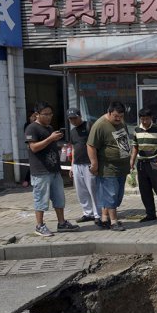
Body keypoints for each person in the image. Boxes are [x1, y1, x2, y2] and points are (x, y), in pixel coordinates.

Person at [24, 102, 79, 237]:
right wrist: (50, 139)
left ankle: (61, 222)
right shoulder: (32, 128)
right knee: (41, 199)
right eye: (46, 114)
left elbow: (49, 145)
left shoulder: (49, 128)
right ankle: (39, 225)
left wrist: (60, 145)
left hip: (54, 169)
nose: (49, 117)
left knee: (59, 198)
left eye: (51, 114)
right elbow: (34, 147)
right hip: (40, 170)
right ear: (37, 114)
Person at [87, 101, 131, 232]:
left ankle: (104, 219)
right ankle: (114, 222)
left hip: (122, 166)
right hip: (108, 167)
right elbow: (91, 146)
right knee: (111, 194)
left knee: (117, 195)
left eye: (121, 116)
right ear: (109, 112)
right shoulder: (100, 125)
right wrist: (94, 164)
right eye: (116, 116)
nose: (118, 119)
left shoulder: (121, 123)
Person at [130, 108, 157, 223]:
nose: (144, 121)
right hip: (142, 163)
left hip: (155, 162)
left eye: (147, 119)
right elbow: (135, 146)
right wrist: (132, 160)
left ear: (151, 118)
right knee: (145, 191)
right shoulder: (137, 130)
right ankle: (150, 214)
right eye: (142, 119)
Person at [67, 108, 100, 225]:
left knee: (93, 189)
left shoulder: (89, 126)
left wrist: (95, 162)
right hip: (77, 164)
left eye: (75, 118)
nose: (73, 121)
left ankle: (98, 214)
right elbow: (74, 148)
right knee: (81, 191)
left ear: (80, 116)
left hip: (88, 163)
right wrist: (72, 165)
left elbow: (95, 144)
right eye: (70, 119)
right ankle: (88, 213)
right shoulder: (73, 131)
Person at [22, 108, 38, 187]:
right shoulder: (28, 126)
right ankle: (26, 179)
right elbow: (28, 137)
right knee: (32, 163)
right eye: (33, 116)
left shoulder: (39, 125)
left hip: (39, 146)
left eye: (36, 116)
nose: (34, 118)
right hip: (31, 146)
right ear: (29, 117)